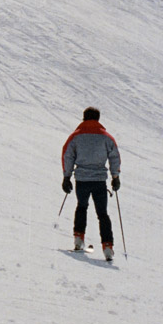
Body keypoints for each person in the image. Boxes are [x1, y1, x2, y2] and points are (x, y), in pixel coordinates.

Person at [62, 107, 121, 263]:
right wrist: (115, 176)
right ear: (98, 119)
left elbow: (67, 155)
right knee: (103, 214)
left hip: (82, 180)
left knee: (82, 207)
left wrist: (66, 177)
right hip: (99, 181)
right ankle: (108, 247)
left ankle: (78, 240)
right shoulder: (106, 137)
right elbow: (114, 156)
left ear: (84, 118)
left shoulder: (75, 137)